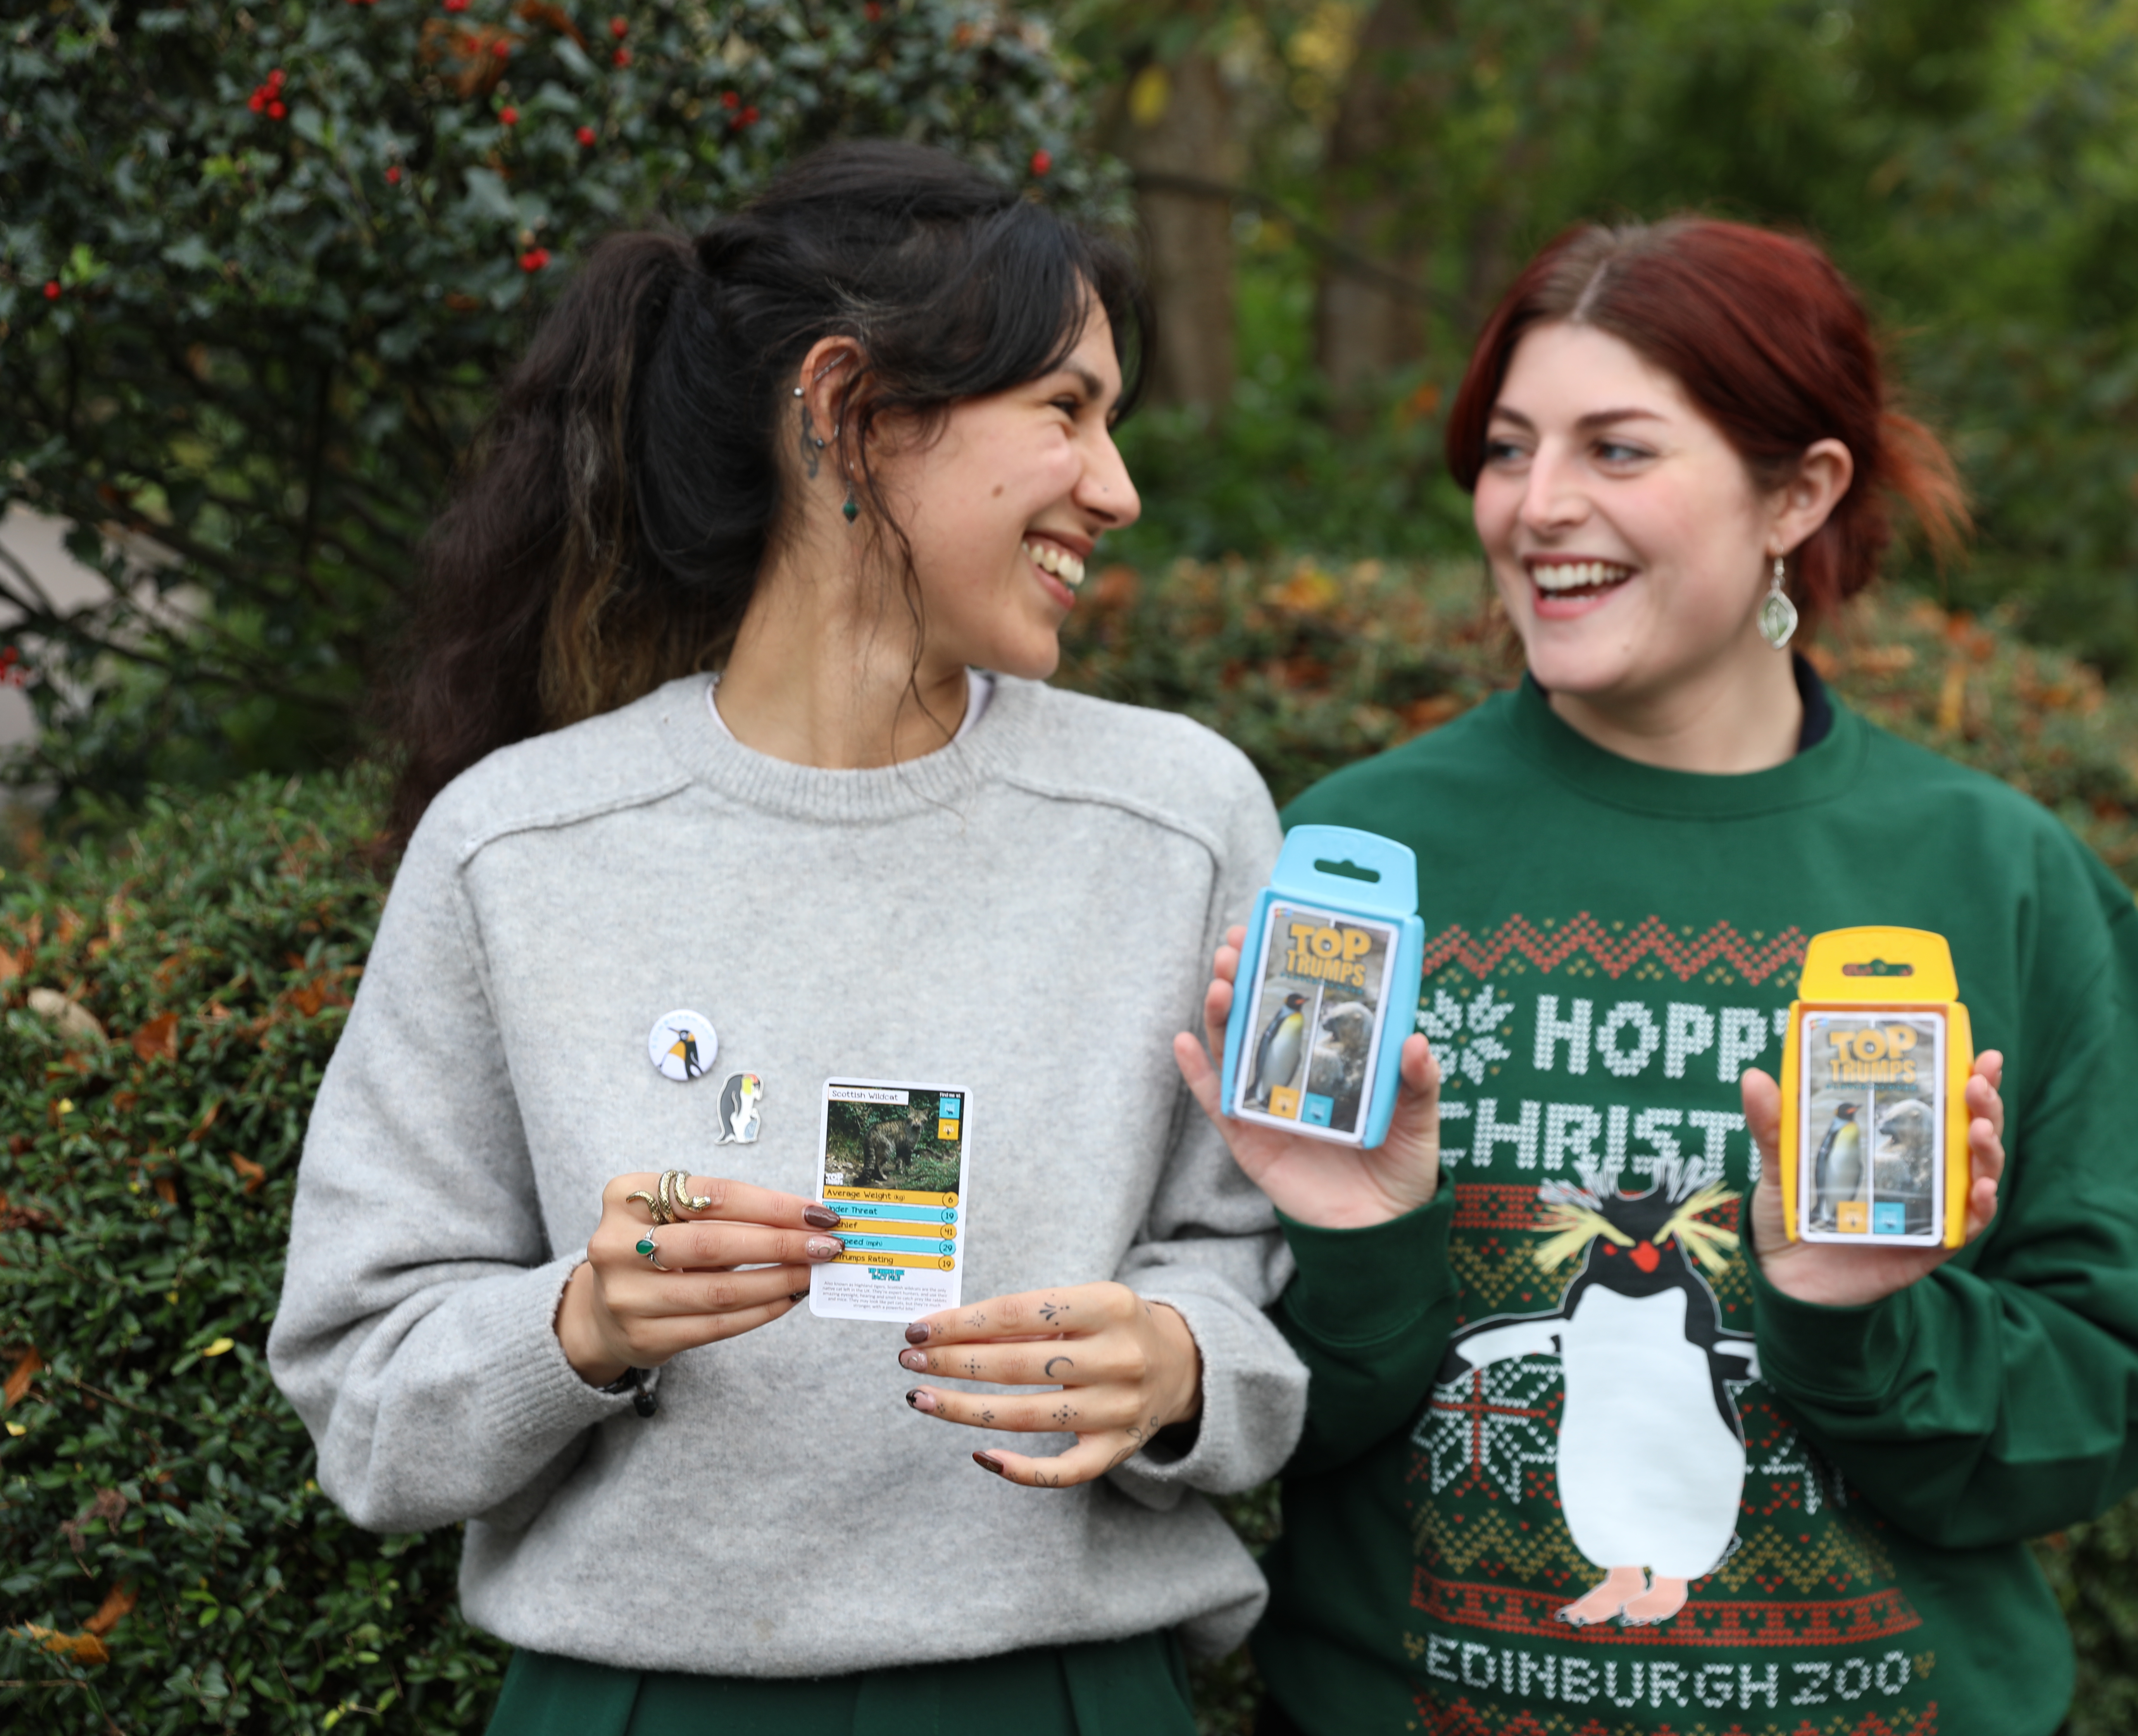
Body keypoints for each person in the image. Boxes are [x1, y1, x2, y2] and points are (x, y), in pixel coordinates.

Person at [268, 140, 1443, 1736]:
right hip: (640, 1706)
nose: (1119, 486)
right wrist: (580, 1325)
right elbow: (361, 1391)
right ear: (849, 414)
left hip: (1069, 1699)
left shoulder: (1182, 815)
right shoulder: (516, 845)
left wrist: (1175, 1362)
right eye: (1067, 411)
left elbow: (1257, 1271)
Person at [1246, 219, 2138, 1735]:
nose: (1539, 506)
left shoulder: (1997, 877)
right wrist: (1366, 1249)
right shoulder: (1354, 857)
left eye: (1619, 449)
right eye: (1509, 450)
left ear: (1800, 491)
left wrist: (1860, 1327)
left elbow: (2127, 1375)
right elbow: (1244, 1400)